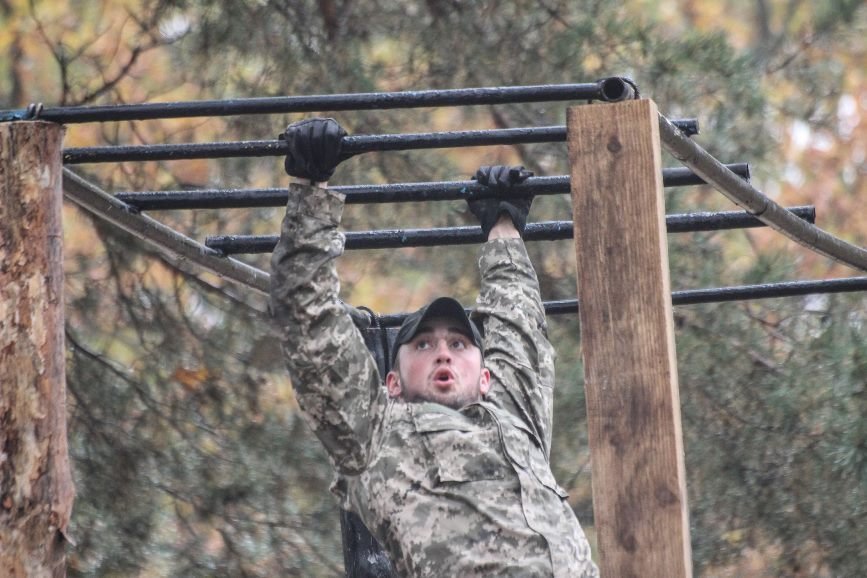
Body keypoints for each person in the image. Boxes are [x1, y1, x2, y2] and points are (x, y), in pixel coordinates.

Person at [270, 118, 598, 577]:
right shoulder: (378, 432)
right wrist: (310, 189)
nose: (443, 352)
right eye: (423, 344)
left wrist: (503, 224)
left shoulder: (513, 416)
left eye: (459, 344)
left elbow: (518, 326)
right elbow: (309, 321)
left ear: (485, 377)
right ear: (392, 383)